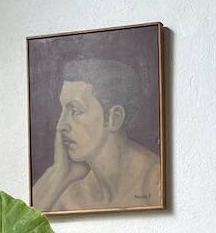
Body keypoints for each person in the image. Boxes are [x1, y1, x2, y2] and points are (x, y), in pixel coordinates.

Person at [32, 58, 162, 212]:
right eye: (63, 110)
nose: (61, 125)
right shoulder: (69, 188)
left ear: (115, 118)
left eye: (75, 110)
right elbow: (24, 229)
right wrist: (58, 173)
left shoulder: (156, 182)